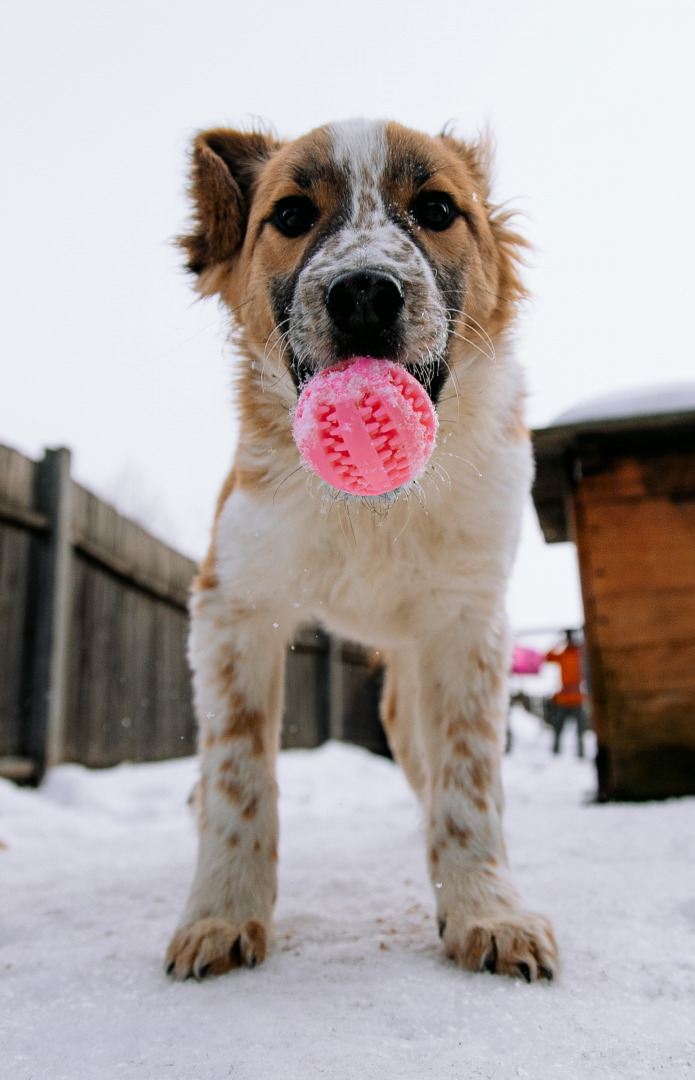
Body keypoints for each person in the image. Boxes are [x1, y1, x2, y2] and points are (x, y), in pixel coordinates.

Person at [543, 630, 590, 756]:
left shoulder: (581, 654)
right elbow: (546, 657)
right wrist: (557, 642)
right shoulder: (562, 655)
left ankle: (581, 754)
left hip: (578, 699)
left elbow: (588, 651)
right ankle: (555, 754)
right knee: (558, 729)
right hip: (563, 699)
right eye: (568, 639)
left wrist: (580, 643)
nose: (570, 642)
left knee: (580, 731)